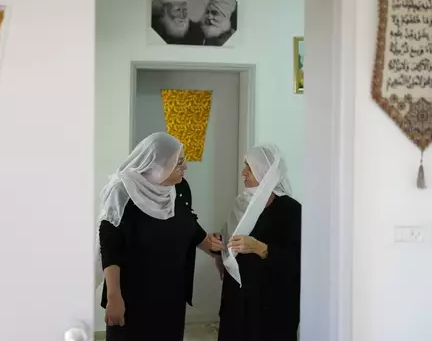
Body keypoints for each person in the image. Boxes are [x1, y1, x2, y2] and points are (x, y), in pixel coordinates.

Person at [97, 132, 224, 341]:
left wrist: (215, 250)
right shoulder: (123, 192)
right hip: (133, 297)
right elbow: (111, 247)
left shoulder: (177, 188)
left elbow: (189, 227)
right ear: (157, 166)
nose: (185, 167)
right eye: (178, 162)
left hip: (170, 295)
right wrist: (114, 296)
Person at [216, 145, 301, 341]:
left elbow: (296, 262)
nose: (243, 172)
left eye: (249, 167)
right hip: (237, 302)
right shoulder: (242, 203)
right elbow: (231, 243)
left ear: (266, 172)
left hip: (271, 307)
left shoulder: (291, 211)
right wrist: (218, 242)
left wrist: (259, 248)